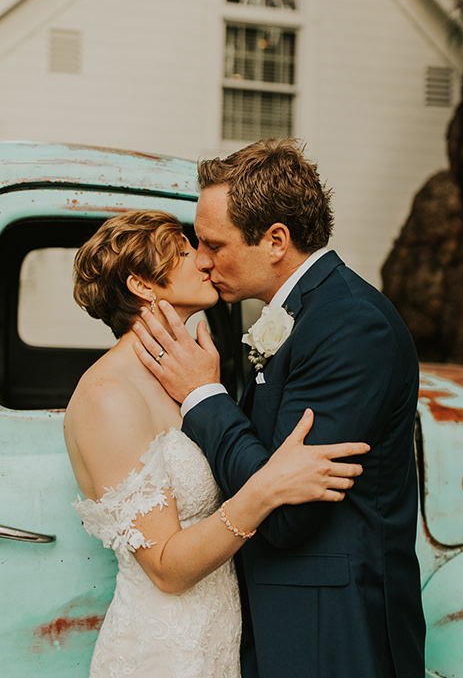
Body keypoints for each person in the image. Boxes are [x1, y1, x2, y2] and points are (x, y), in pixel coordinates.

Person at [132, 139, 426, 678]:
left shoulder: (350, 325)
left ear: (275, 240)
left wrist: (203, 395)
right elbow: (272, 463)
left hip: (331, 630)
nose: (200, 260)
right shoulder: (305, 311)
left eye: (213, 244)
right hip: (285, 620)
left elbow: (288, 515)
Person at [63, 209, 369, 678]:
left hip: (221, 637)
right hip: (165, 650)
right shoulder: (110, 395)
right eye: (185, 253)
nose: (204, 262)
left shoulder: (183, 375)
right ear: (143, 286)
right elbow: (165, 568)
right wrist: (267, 488)